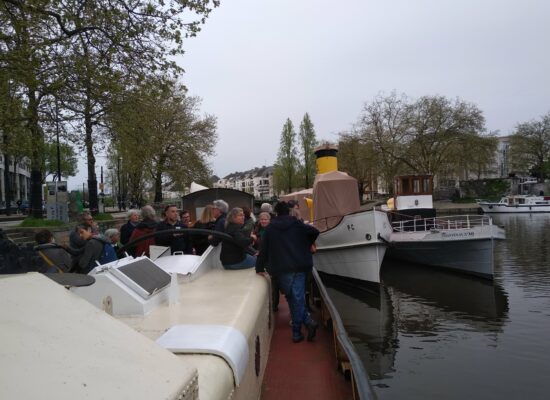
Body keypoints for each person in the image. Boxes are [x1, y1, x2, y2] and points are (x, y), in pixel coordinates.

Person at [256, 201, 320, 343]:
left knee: (293, 297)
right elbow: (315, 232)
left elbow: (263, 250)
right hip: (301, 264)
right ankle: (306, 323)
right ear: (289, 211)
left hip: (282, 267)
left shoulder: (271, 228)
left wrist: (259, 268)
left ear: (276, 213)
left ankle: (298, 332)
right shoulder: (297, 224)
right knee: (295, 297)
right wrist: (307, 243)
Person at [253, 212, 281, 311]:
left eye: (266, 219)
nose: (263, 221)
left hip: (271, 259)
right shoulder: (257, 230)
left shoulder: (273, 231)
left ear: (269, 220)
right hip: (263, 258)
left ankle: (274, 305)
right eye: (262, 219)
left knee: (274, 282)